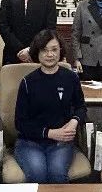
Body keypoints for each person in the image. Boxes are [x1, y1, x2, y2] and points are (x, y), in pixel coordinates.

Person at [14, 30, 86, 183]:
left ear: (61, 51)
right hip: (30, 142)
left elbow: (81, 107)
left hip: (61, 142)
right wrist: (50, 133)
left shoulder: (71, 78)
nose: (50, 54)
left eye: (54, 49)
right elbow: (20, 123)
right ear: (37, 52)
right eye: (44, 50)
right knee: (38, 173)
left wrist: (74, 121)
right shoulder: (28, 82)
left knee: (57, 173)